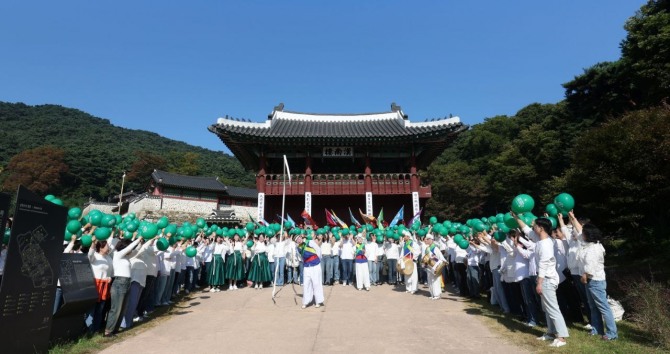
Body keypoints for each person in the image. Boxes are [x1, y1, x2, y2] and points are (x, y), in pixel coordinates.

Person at [534, 218, 569, 348]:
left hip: (547, 279)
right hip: (545, 278)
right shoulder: (541, 241)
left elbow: (544, 263)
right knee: (547, 308)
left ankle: (562, 337)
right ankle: (551, 332)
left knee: (553, 308)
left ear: (541, 228)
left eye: (535, 226)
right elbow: (527, 232)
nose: (533, 228)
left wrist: (540, 282)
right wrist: (516, 218)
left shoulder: (546, 244)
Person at [580, 223, 618, 341]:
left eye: (583, 233)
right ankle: (597, 329)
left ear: (588, 235)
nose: (582, 235)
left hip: (595, 280)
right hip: (592, 280)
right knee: (593, 307)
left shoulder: (594, 248)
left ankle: (612, 333)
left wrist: (584, 276)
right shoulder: (591, 245)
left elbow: (590, 266)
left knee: (603, 307)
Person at [105, 236, 141, 337]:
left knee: (123, 308)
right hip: (119, 283)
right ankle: (108, 331)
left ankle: (115, 329)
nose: (130, 250)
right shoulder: (118, 254)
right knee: (116, 308)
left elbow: (136, 250)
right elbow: (130, 248)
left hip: (127, 282)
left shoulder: (125, 257)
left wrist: (142, 242)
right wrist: (138, 239)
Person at [297, 235, 324, 308]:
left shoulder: (310, 242)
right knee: (306, 284)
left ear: (301, 237)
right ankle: (306, 301)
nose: (299, 240)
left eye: (299, 238)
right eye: (297, 240)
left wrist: (318, 260)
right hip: (306, 266)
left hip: (315, 264)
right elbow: (301, 258)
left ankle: (318, 301)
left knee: (316, 283)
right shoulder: (298, 248)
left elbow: (318, 250)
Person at [422, 234, 446, 300]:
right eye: (427, 239)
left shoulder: (435, 248)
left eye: (428, 239)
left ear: (432, 240)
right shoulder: (427, 248)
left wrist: (435, 259)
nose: (427, 240)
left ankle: (437, 294)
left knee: (435, 280)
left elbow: (441, 258)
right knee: (430, 280)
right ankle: (432, 294)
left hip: (435, 267)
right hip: (429, 266)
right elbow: (425, 257)